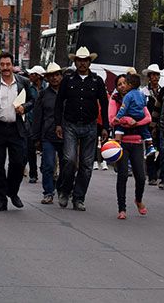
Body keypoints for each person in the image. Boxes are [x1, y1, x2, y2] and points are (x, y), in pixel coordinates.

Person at [55, 47, 109, 211]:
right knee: (69, 160)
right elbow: (59, 102)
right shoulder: (68, 80)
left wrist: (105, 126)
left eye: (85, 60)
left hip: (90, 126)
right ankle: (65, 190)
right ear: (75, 62)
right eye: (79, 60)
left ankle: (79, 197)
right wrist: (58, 124)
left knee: (86, 165)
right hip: (70, 124)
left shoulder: (97, 81)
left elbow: (104, 105)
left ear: (89, 62)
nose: (82, 63)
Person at [0, 52, 33, 211]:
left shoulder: (23, 82)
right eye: (2, 65)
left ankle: (13, 192)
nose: (5, 68)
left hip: (16, 129)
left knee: (18, 163)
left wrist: (24, 108)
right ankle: (1, 198)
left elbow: (33, 100)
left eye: (8, 64)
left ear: (13, 65)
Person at [109, 75, 152, 219]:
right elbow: (112, 120)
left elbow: (148, 117)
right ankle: (122, 208)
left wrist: (135, 123)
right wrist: (127, 119)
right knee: (122, 176)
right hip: (122, 142)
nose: (122, 86)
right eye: (119, 84)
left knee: (140, 177)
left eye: (124, 83)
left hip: (137, 142)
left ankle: (138, 199)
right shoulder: (114, 100)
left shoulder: (139, 97)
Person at [32, 62, 64, 204]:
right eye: (51, 76)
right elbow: (38, 116)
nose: (55, 78)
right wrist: (36, 138)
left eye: (57, 75)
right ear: (47, 78)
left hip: (66, 134)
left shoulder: (68, 92)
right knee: (48, 165)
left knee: (68, 164)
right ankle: (48, 192)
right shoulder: (43, 95)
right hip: (48, 135)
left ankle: (64, 190)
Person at [114, 73, 157, 157]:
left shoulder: (128, 95)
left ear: (129, 85)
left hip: (131, 115)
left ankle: (117, 144)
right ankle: (150, 145)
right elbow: (144, 104)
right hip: (141, 116)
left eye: (125, 83)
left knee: (119, 127)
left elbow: (123, 108)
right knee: (144, 130)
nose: (124, 85)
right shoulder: (142, 94)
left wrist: (118, 117)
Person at [141, 64, 163, 185]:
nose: (155, 77)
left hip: (160, 124)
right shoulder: (143, 92)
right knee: (150, 150)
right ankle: (152, 176)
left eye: (157, 75)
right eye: (153, 75)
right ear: (149, 77)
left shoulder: (162, 90)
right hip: (147, 125)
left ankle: (155, 169)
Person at [25, 65, 46, 183]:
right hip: (31, 121)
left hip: (45, 123)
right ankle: (33, 173)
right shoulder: (29, 87)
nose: (30, 76)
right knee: (30, 149)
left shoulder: (46, 87)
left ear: (38, 76)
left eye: (32, 74)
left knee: (45, 148)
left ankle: (44, 168)